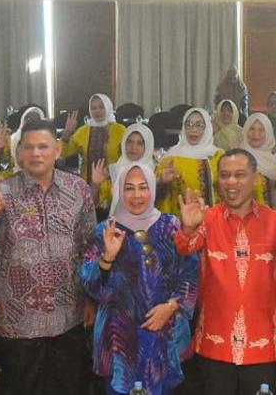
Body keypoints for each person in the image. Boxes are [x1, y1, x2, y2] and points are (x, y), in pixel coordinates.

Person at [0, 119, 95, 395]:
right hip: (17, 324)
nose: (36, 153)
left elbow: (89, 247)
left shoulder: (78, 190)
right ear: (18, 153)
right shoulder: (2, 192)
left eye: (43, 146)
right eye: (28, 147)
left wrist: (91, 297)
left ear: (57, 149)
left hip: (68, 317)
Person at [177, 149, 276, 394]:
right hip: (215, 345)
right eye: (224, 175)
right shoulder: (207, 219)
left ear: (255, 178)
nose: (231, 182)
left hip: (266, 345)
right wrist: (187, 228)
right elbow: (185, 248)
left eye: (239, 175)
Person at [81, 164, 199, 395]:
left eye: (143, 187)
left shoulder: (171, 226)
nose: (137, 196)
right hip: (120, 340)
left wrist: (172, 306)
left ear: (152, 189)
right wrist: (107, 258)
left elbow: (190, 271)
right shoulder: (106, 230)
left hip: (165, 335)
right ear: (119, 191)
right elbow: (90, 285)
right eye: (129, 188)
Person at [156, 107, 225, 217]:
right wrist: (162, 182)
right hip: (180, 225)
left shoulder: (218, 156)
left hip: (214, 223)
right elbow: (156, 197)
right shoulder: (170, 159)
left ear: (207, 128)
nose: (193, 130)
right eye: (188, 124)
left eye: (199, 125)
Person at [62, 94, 127, 186]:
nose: (97, 111)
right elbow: (63, 152)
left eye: (101, 107)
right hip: (88, 184)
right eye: (93, 108)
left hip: (114, 185)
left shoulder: (120, 130)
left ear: (108, 107)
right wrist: (66, 134)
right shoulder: (83, 131)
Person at [91, 123, 155, 215]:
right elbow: (94, 203)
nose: (133, 147)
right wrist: (95, 185)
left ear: (148, 147)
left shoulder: (156, 171)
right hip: (118, 225)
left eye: (140, 143)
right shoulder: (114, 171)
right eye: (130, 142)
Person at [240, 113, 276, 212]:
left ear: (268, 132)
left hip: (273, 216)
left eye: (261, 130)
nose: (256, 134)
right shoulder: (238, 156)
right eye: (252, 129)